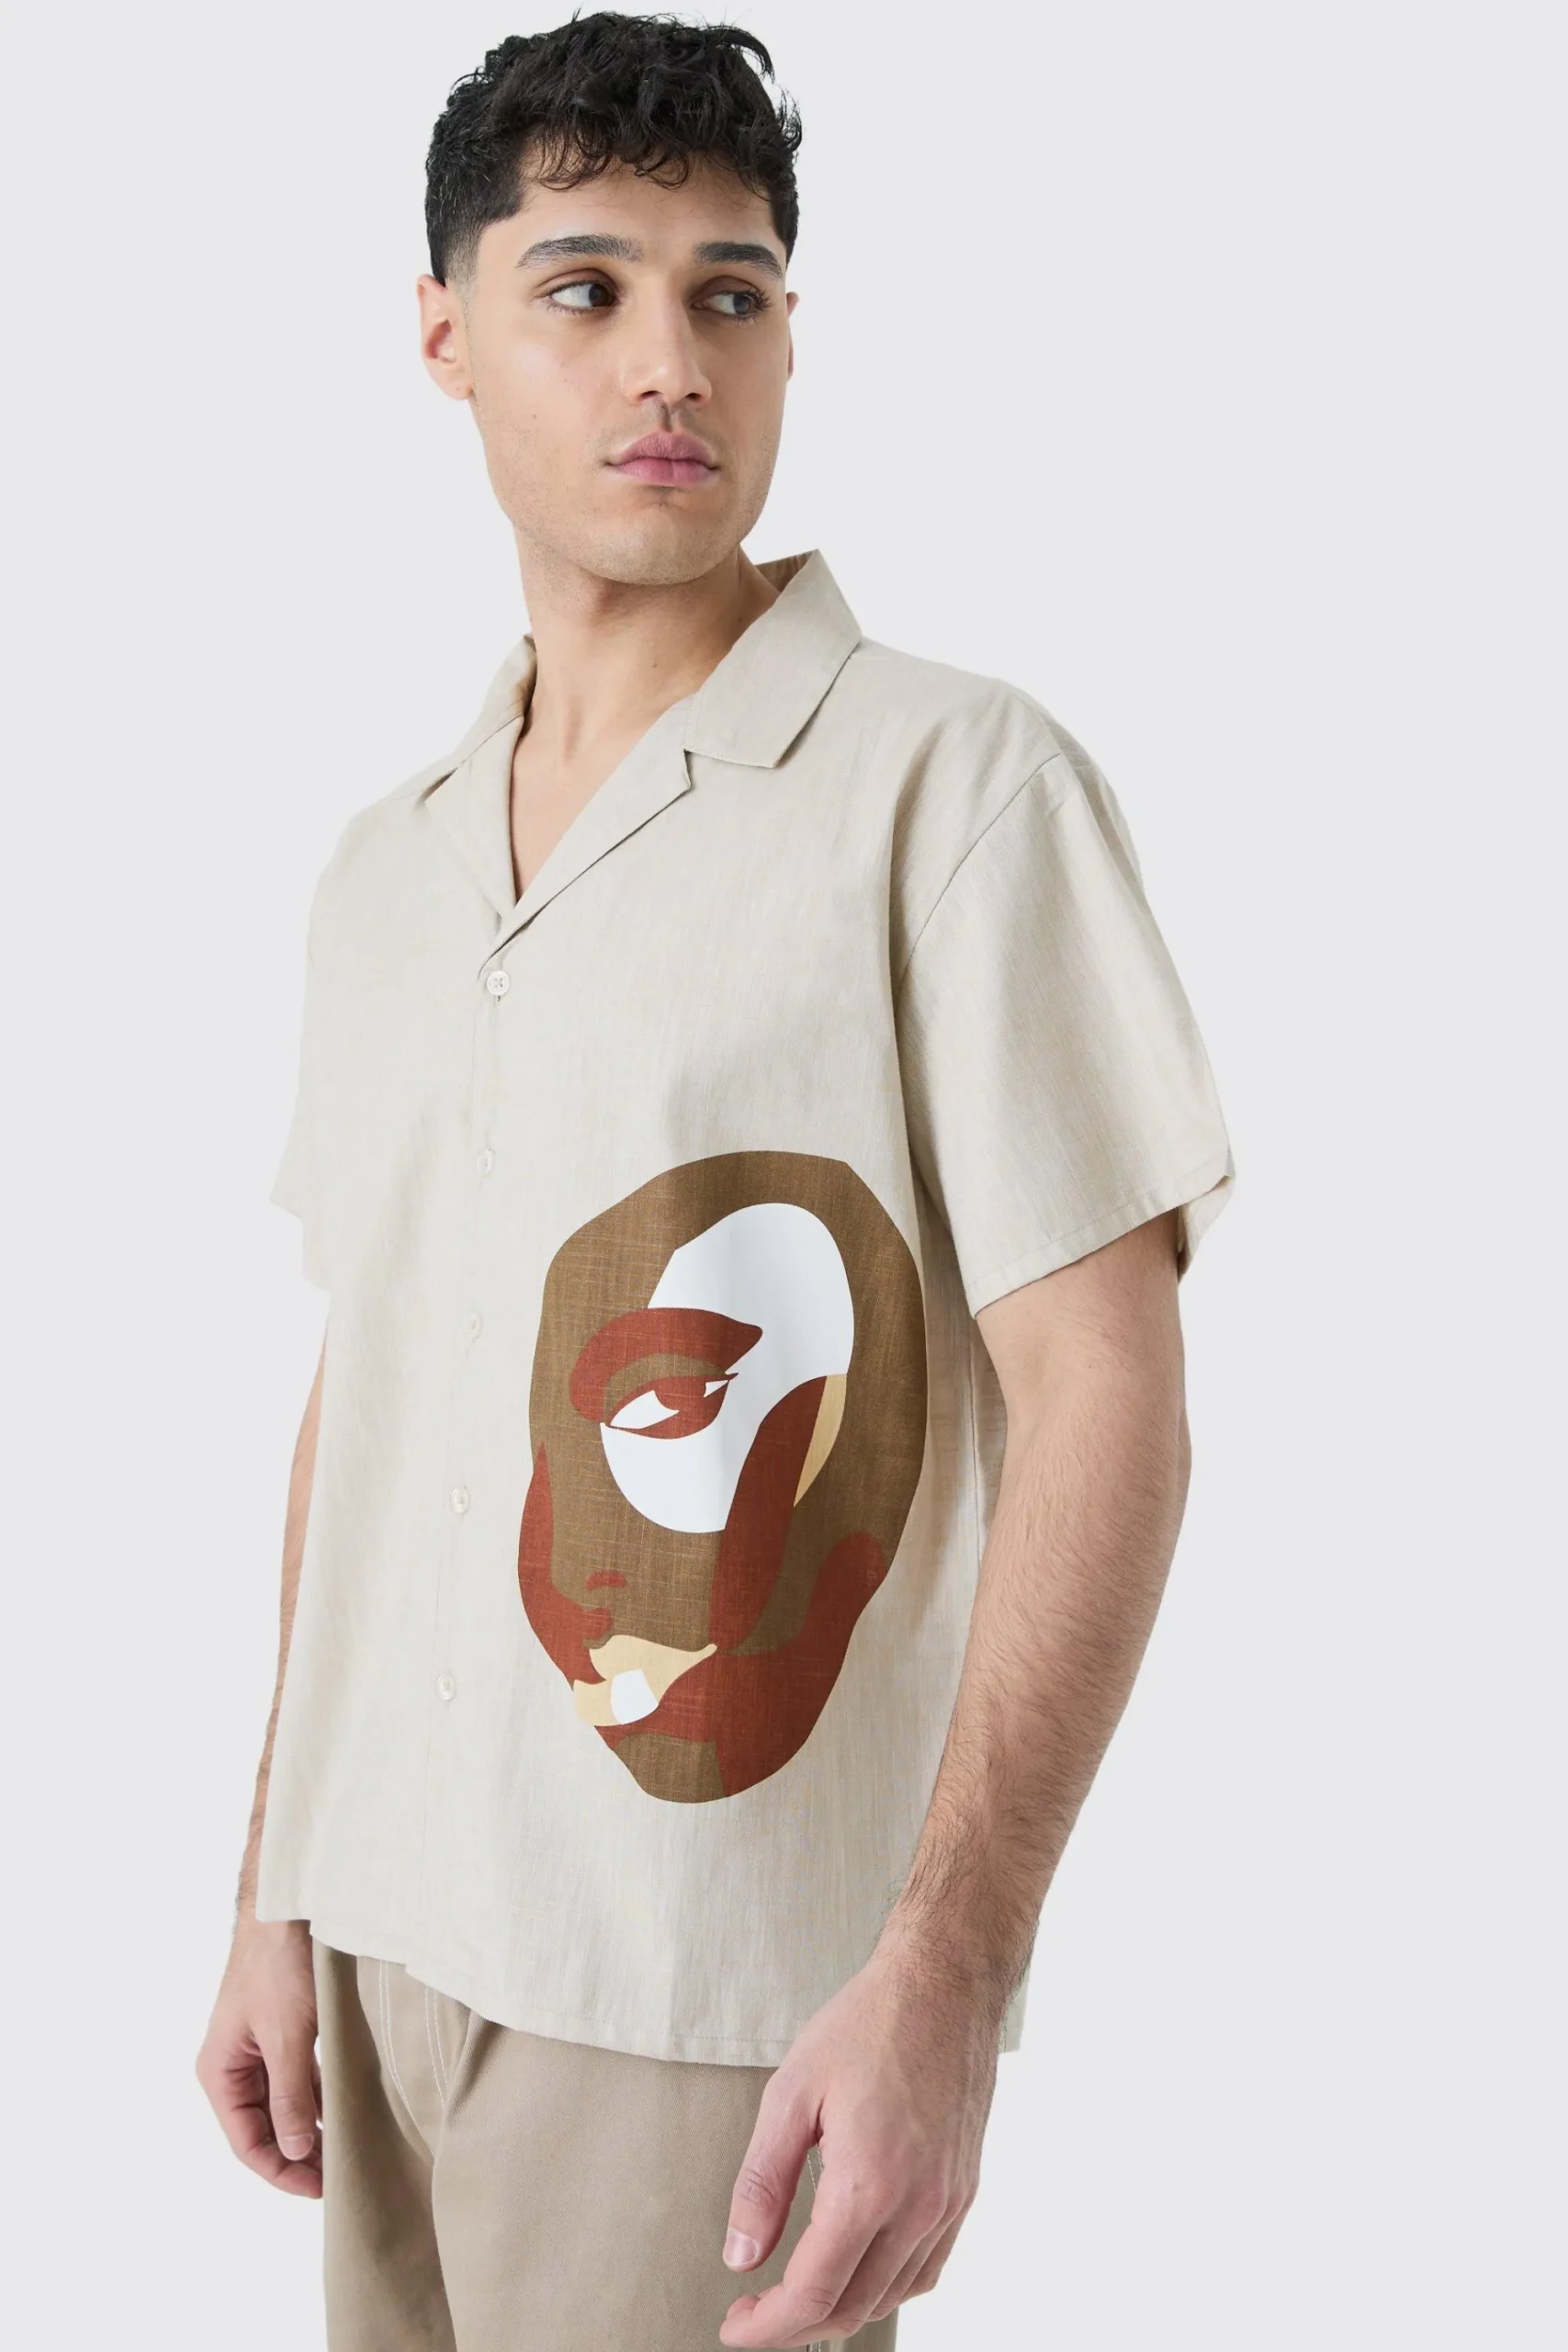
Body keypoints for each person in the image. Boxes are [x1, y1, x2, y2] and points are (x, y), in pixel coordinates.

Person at [195, 15, 1233, 2349]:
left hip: (699, 1999)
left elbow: (1108, 1396)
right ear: (445, 335)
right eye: (583, 287)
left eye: (729, 293)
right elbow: (376, 1383)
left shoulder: (948, 789)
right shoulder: (389, 863)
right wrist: (273, 1872)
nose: (670, 359)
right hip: (376, 1952)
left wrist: (946, 1973)